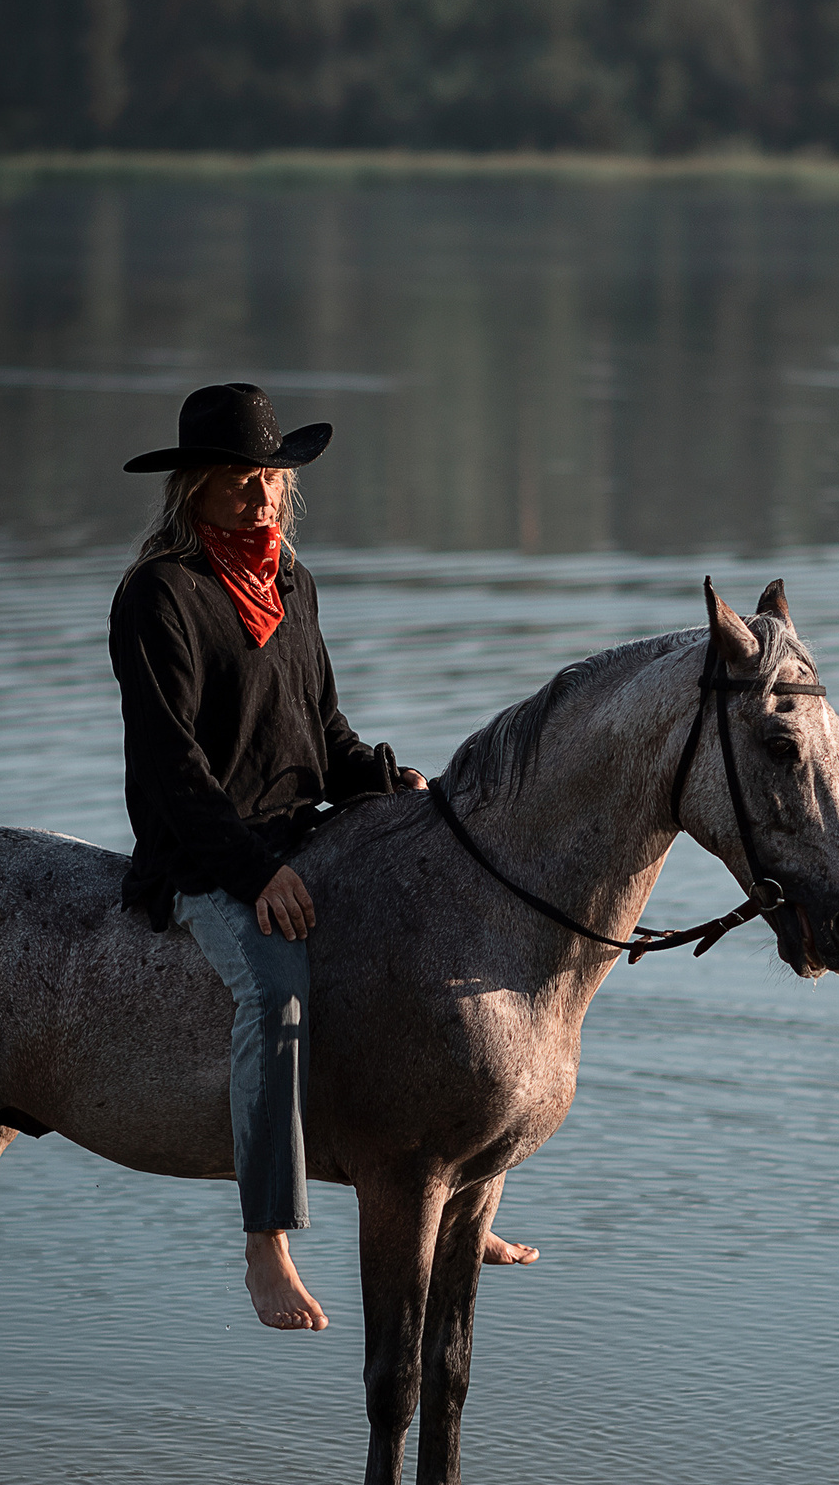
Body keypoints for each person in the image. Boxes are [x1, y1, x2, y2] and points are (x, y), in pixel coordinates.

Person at [109, 383, 536, 1332]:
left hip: (303, 834)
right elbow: (175, 770)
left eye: (272, 477)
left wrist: (390, 782)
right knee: (277, 992)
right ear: (193, 486)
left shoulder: (290, 583)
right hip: (202, 855)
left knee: (417, 944)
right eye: (239, 479)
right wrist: (255, 874)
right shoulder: (157, 596)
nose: (262, 494)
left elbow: (323, 734)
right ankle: (266, 1240)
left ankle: (451, 1192)